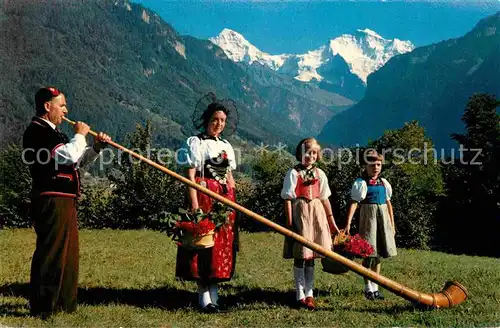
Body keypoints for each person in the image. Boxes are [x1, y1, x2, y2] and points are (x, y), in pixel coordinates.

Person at [22, 86, 111, 318]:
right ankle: (44, 307)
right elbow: (70, 154)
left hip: (66, 199)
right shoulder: (37, 131)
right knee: (52, 251)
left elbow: (77, 161)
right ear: (47, 106)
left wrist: (97, 148)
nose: (66, 110)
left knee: (68, 253)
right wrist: (80, 134)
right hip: (51, 199)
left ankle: (64, 304)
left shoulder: (55, 133)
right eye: (62, 105)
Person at [175, 92, 239, 313]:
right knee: (203, 245)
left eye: (222, 121)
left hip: (224, 202)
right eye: (215, 120)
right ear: (206, 120)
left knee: (219, 247)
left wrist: (233, 200)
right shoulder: (196, 143)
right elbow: (190, 177)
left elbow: (229, 177)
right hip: (204, 198)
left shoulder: (226, 146)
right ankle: (204, 298)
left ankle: (215, 296)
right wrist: (195, 206)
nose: (219, 125)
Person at [280, 137, 340, 310]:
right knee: (301, 254)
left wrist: (332, 223)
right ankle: (299, 294)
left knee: (312, 255)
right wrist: (290, 223)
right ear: (300, 153)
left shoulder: (320, 174)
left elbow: (324, 198)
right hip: (301, 215)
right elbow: (288, 199)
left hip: (317, 214)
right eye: (307, 152)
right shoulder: (293, 173)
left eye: (314, 153)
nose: (310, 156)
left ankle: (309, 294)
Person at [344, 150, 397, 301]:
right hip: (369, 220)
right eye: (372, 164)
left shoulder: (384, 183)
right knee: (368, 254)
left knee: (378, 254)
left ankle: (376, 287)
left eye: (379, 164)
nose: (376, 167)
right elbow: (354, 203)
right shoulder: (361, 183)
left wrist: (392, 225)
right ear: (365, 166)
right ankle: (368, 288)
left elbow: (388, 204)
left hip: (382, 220)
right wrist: (348, 223)